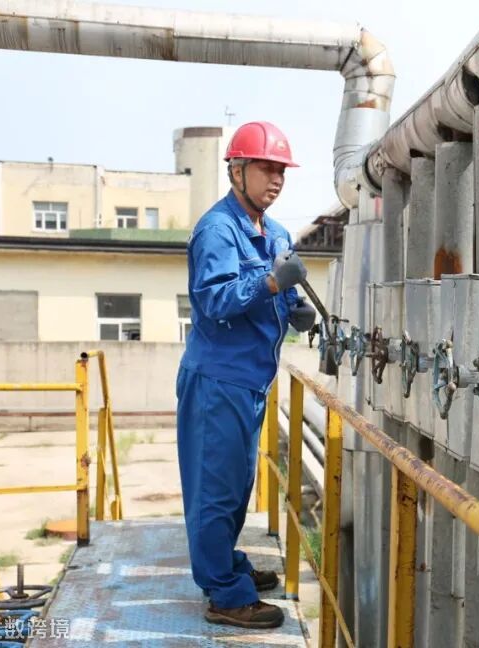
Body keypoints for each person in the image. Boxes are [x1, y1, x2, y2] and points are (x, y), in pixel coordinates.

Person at [176, 121, 316, 629]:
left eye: (281, 171)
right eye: (266, 169)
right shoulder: (217, 230)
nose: (276, 180)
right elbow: (215, 301)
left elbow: (279, 290)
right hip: (218, 380)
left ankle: (227, 565)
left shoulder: (274, 232)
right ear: (236, 170)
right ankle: (224, 594)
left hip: (251, 381)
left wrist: (295, 308)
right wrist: (272, 284)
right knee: (215, 489)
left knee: (237, 486)